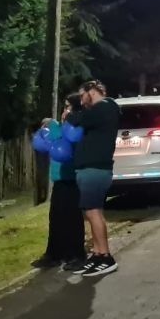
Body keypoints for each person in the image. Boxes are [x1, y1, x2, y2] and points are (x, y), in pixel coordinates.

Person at [66, 80, 120, 277]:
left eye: (82, 95)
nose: (82, 100)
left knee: (94, 212)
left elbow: (78, 119)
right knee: (90, 212)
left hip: (95, 169)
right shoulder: (99, 111)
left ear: (92, 92)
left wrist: (69, 115)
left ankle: (106, 256)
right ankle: (97, 254)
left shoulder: (104, 108)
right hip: (90, 169)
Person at [31, 94, 86, 270]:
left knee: (72, 219)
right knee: (56, 218)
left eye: (69, 107)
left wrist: (52, 124)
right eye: (65, 107)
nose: (65, 111)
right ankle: (54, 254)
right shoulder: (63, 127)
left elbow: (64, 143)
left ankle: (76, 255)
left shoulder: (76, 128)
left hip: (72, 180)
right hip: (60, 180)